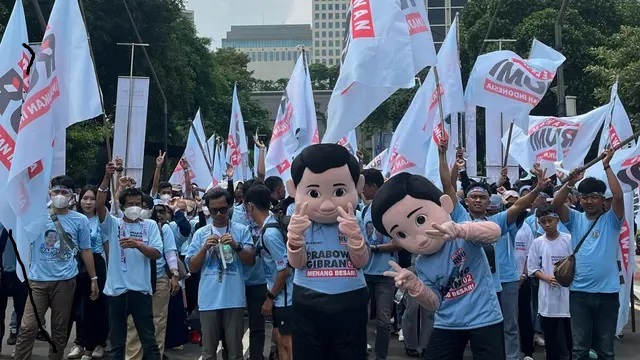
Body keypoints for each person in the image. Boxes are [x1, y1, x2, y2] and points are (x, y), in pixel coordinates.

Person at [370, 172, 503, 359]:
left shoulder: (462, 235)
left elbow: (494, 232)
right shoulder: (423, 263)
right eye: (401, 234)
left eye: (420, 220)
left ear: (444, 205)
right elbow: (434, 302)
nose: (419, 238)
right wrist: (416, 287)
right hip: (447, 323)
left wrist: (461, 230)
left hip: (484, 318)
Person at [286, 144, 370, 359]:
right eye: (313, 193)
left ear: (358, 186)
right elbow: (297, 263)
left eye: (339, 192)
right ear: (294, 190)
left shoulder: (355, 220)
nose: (326, 205)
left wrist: (355, 238)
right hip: (308, 299)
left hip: (350, 299)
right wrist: (294, 240)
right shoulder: (300, 223)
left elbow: (361, 262)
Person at [14, 176, 99, 360]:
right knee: (28, 327)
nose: (60, 195)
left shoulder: (80, 220)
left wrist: (94, 278)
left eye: (64, 192)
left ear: (72, 196)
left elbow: (85, 250)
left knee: (59, 331)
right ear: (50, 193)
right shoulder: (36, 216)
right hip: (37, 281)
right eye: (56, 192)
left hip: (65, 282)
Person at [551, 148, 624, 360]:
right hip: (580, 294)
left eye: (594, 197)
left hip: (608, 295)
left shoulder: (612, 220)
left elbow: (618, 196)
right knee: (580, 349)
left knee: (606, 350)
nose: (589, 201)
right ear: (579, 199)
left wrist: (607, 165)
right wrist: (570, 182)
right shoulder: (575, 219)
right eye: (584, 197)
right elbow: (556, 204)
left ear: (602, 199)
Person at [96, 163, 163, 360]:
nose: (135, 207)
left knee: (148, 341)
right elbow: (100, 206)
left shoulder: (149, 225)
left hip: (141, 291)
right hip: (117, 290)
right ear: (123, 206)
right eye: (131, 204)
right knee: (117, 343)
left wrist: (137, 245)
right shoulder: (114, 224)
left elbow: (156, 253)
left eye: (138, 204)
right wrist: (107, 178)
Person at [185, 188, 255, 360]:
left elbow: (251, 260)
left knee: (235, 353)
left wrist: (236, 245)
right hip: (208, 301)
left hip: (234, 299)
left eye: (223, 209)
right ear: (208, 209)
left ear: (229, 207)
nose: (218, 214)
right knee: (208, 353)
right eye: (214, 210)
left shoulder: (241, 230)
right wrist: (204, 249)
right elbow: (192, 267)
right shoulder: (201, 233)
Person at [245, 184, 294, 360]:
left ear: (250, 206)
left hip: (286, 298)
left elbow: (284, 269)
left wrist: (270, 298)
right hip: (282, 297)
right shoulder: (269, 226)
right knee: (279, 341)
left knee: (286, 344)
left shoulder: (270, 233)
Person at [360, 168, 400, 360]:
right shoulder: (365, 210)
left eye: (364, 186)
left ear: (373, 187)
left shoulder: (391, 211)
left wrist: (376, 249)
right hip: (365, 273)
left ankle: (381, 357)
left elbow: (400, 243)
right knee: (360, 318)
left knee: (383, 321)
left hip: (386, 274)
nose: (361, 190)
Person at [67, 185, 110, 360]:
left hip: (97, 264)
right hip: (76, 266)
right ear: (79, 199)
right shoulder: (73, 218)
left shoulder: (101, 221)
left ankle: (98, 344)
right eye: (85, 198)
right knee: (78, 307)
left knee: (97, 306)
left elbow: (107, 247)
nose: (88, 202)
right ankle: (80, 342)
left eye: (92, 198)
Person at [527, 204, 572, 360]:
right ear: (539, 223)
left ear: (557, 220)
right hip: (547, 298)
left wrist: (564, 276)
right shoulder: (538, 242)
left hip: (567, 296)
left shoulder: (568, 240)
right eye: (543, 221)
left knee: (570, 336)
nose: (547, 224)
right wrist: (546, 277)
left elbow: (575, 264)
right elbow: (532, 268)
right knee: (550, 338)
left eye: (550, 220)